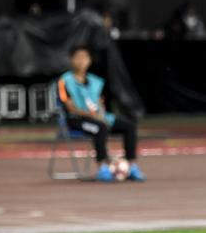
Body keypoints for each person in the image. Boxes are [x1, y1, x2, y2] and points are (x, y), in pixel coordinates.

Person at [57, 45, 145, 182]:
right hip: (76, 120)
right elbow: (70, 108)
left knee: (129, 126)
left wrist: (101, 115)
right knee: (100, 127)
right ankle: (103, 168)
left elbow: (99, 104)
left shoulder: (95, 81)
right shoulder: (65, 81)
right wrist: (93, 116)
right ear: (71, 60)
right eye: (78, 57)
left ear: (90, 60)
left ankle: (131, 165)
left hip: (98, 117)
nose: (81, 61)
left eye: (85, 57)